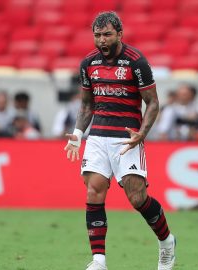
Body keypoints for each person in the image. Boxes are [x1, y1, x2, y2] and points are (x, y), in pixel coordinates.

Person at [63, 12, 175, 270]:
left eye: (107, 34)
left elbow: (153, 103)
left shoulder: (136, 62)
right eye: (97, 35)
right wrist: (78, 135)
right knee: (94, 190)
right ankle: (99, 261)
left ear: (120, 34)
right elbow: (87, 105)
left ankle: (167, 242)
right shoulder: (88, 63)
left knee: (137, 198)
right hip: (98, 137)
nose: (101, 40)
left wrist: (141, 134)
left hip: (127, 139)